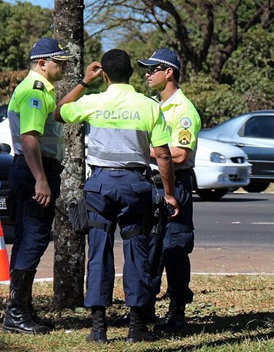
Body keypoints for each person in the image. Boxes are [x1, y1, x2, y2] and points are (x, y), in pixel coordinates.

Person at [54, 49, 179, 344]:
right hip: (135, 186)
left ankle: (98, 329)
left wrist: (85, 82)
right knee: (137, 253)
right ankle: (136, 328)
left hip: (99, 185)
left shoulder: (94, 101)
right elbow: (162, 154)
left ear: (106, 75)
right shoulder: (147, 105)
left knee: (99, 252)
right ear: (132, 75)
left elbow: (59, 111)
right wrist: (170, 194)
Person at [2, 38, 71, 335]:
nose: (64, 66)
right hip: (34, 172)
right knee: (34, 238)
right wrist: (41, 180)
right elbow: (29, 138)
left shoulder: (42, 91)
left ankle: (21, 307)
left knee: (29, 239)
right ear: (42, 63)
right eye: (60, 61)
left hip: (32, 170)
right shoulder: (35, 90)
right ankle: (16, 312)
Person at [137, 49, 201, 330]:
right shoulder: (153, 105)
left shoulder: (184, 110)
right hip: (151, 183)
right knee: (149, 249)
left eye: (153, 69)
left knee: (174, 247)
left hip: (176, 183)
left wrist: (143, 150)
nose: (147, 74)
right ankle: (144, 309)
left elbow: (179, 155)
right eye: (146, 70)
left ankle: (177, 311)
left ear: (169, 72)